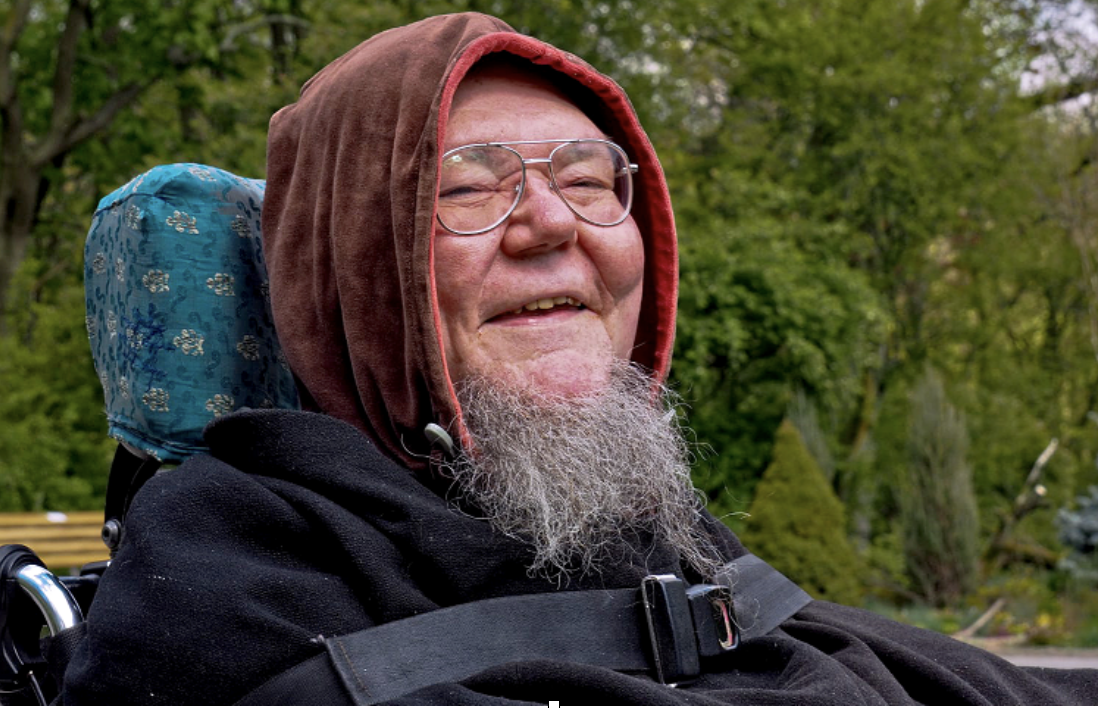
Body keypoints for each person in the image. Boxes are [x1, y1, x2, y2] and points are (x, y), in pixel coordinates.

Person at [61, 12, 1097, 705]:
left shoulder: (640, 523)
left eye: (591, 179)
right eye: (467, 186)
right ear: (353, 267)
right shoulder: (231, 568)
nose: (552, 222)